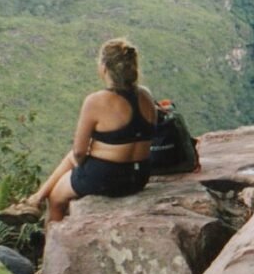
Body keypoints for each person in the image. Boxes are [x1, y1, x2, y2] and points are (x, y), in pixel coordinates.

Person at [20, 38, 155, 223]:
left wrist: (82, 165)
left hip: (106, 177)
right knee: (73, 157)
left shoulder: (96, 101)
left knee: (56, 198)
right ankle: (35, 198)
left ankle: (52, 243)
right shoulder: (146, 95)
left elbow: (79, 152)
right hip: (139, 176)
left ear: (104, 68)